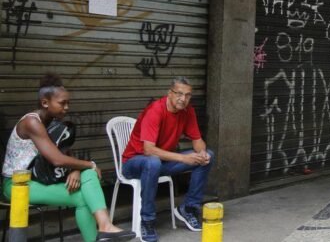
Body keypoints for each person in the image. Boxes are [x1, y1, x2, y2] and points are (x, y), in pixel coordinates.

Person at [2, 74, 135, 242]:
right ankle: (102, 231)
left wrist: (76, 170)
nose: (66, 108)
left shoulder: (53, 123)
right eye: (62, 103)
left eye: (68, 103)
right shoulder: (32, 123)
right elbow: (57, 160)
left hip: (40, 179)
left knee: (88, 174)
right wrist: (90, 164)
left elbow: (66, 155)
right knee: (83, 197)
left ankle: (105, 227)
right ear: (45, 102)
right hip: (17, 185)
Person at [121, 78, 213, 242]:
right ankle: (147, 220)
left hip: (160, 162)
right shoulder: (155, 110)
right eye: (179, 94)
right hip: (134, 163)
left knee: (209, 156)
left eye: (188, 95)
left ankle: (189, 208)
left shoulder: (187, 111)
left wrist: (202, 153)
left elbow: (197, 140)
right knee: (153, 162)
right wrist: (184, 158)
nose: (183, 99)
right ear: (170, 93)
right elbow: (148, 150)